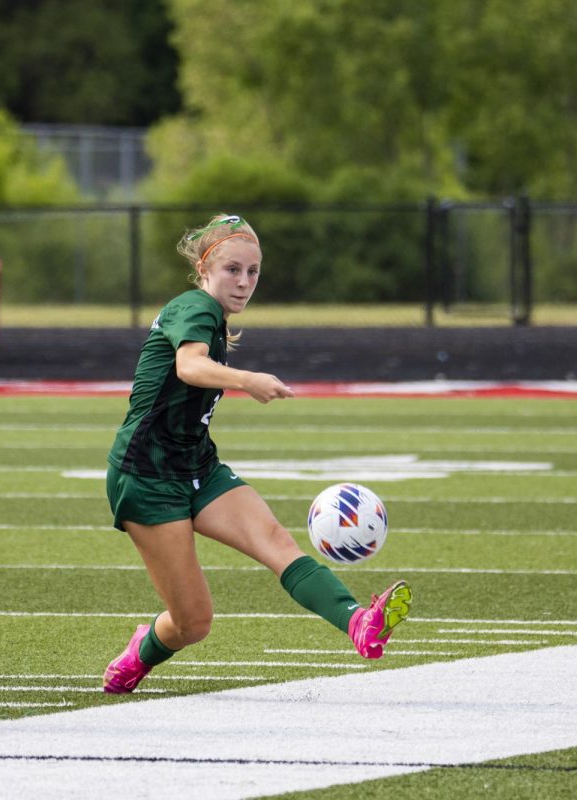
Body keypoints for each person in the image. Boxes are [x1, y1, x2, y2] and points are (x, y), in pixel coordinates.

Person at [102, 213, 412, 694]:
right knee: (193, 623)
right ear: (205, 268)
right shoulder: (196, 306)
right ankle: (141, 651)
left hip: (197, 464)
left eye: (253, 272)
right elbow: (188, 366)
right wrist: (250, 381)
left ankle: (359, 623)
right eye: (233, 270)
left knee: (277, 543)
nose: (244, 282)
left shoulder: (215, 318)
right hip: (146, 477)